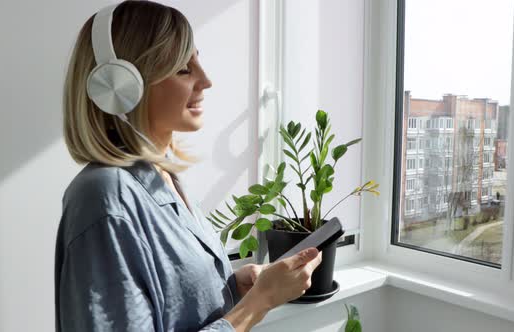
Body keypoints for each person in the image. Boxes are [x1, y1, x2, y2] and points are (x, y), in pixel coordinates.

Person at [54, 1, 323, 331]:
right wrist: (258, 303)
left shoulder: (163, 179)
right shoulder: (105, 197)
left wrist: (231, 286)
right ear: (120, 86)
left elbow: (172, 302)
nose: (206, 80)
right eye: (184, 68)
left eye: (198, 60)